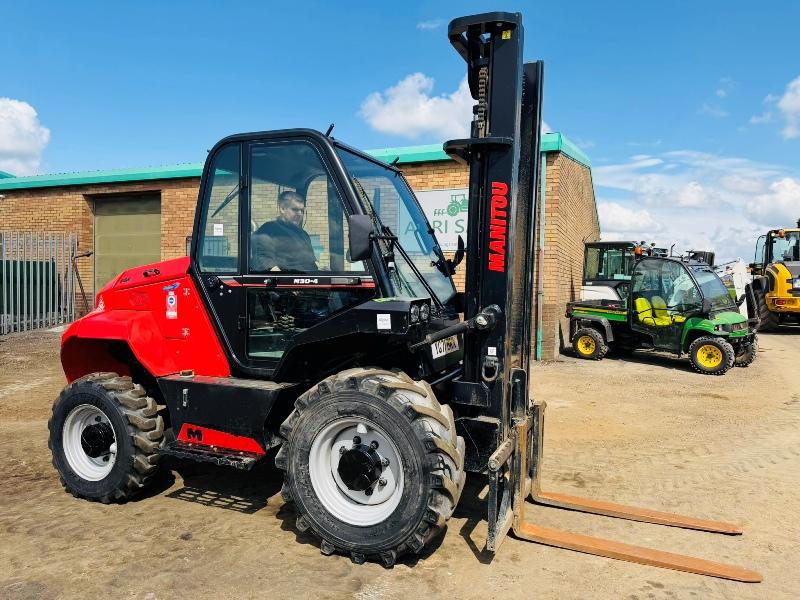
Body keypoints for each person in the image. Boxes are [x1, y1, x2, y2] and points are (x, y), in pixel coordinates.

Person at [251, 191, 318, 272]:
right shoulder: (268, 231)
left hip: (312, 279)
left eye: (302, 211)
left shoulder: (303, 234)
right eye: (295, 209)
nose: (300, 214)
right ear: (282, 209)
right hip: (288, 281)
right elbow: (266, 263)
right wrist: (285, 281)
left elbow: (313, 261)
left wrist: (323, 269)